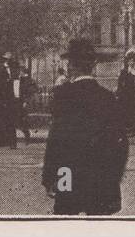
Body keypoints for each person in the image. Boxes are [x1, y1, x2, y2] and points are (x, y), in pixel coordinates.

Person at [42, 38, 130, 215]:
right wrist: (113, 178)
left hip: (68, 175)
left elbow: (56, 140)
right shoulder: (108, 97)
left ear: (72, 66)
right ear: (92, 66)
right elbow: (121, 143)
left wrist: (50, 178)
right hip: (100, 178)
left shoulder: (63, 95)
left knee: (66, 224)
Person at [116, 50, 135, 138]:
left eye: (133, 61)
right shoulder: (124, 72)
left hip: (134, 96)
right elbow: (120, 84)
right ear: (127, 61)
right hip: (126, 97)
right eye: (130, 61)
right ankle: (126, 130)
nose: (132, 62)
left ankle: (134, 130)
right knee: (127, 112)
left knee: (134, 112)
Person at [15, 65, 36, 144]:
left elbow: (31, 92)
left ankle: (27, 136)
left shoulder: (28, 80)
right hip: (17, 101)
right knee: (19, 120)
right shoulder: (19, 80)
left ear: (23, 72)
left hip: (23, 102)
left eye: (19, 71)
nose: (18, 73)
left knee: (22, 120)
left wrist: (26, 101)